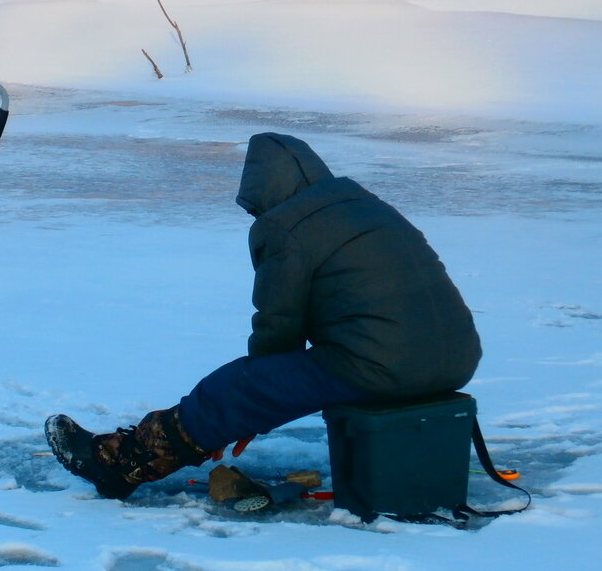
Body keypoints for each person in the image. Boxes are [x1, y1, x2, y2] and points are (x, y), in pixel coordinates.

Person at [45, 132, 481, 500]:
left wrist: (251, 402)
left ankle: (120, 464)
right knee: (272, 381)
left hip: (380, 364)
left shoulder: (286, 226)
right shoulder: (367, 206)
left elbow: (279, 322)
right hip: (456, 359)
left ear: (262, 190)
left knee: (232, 387)